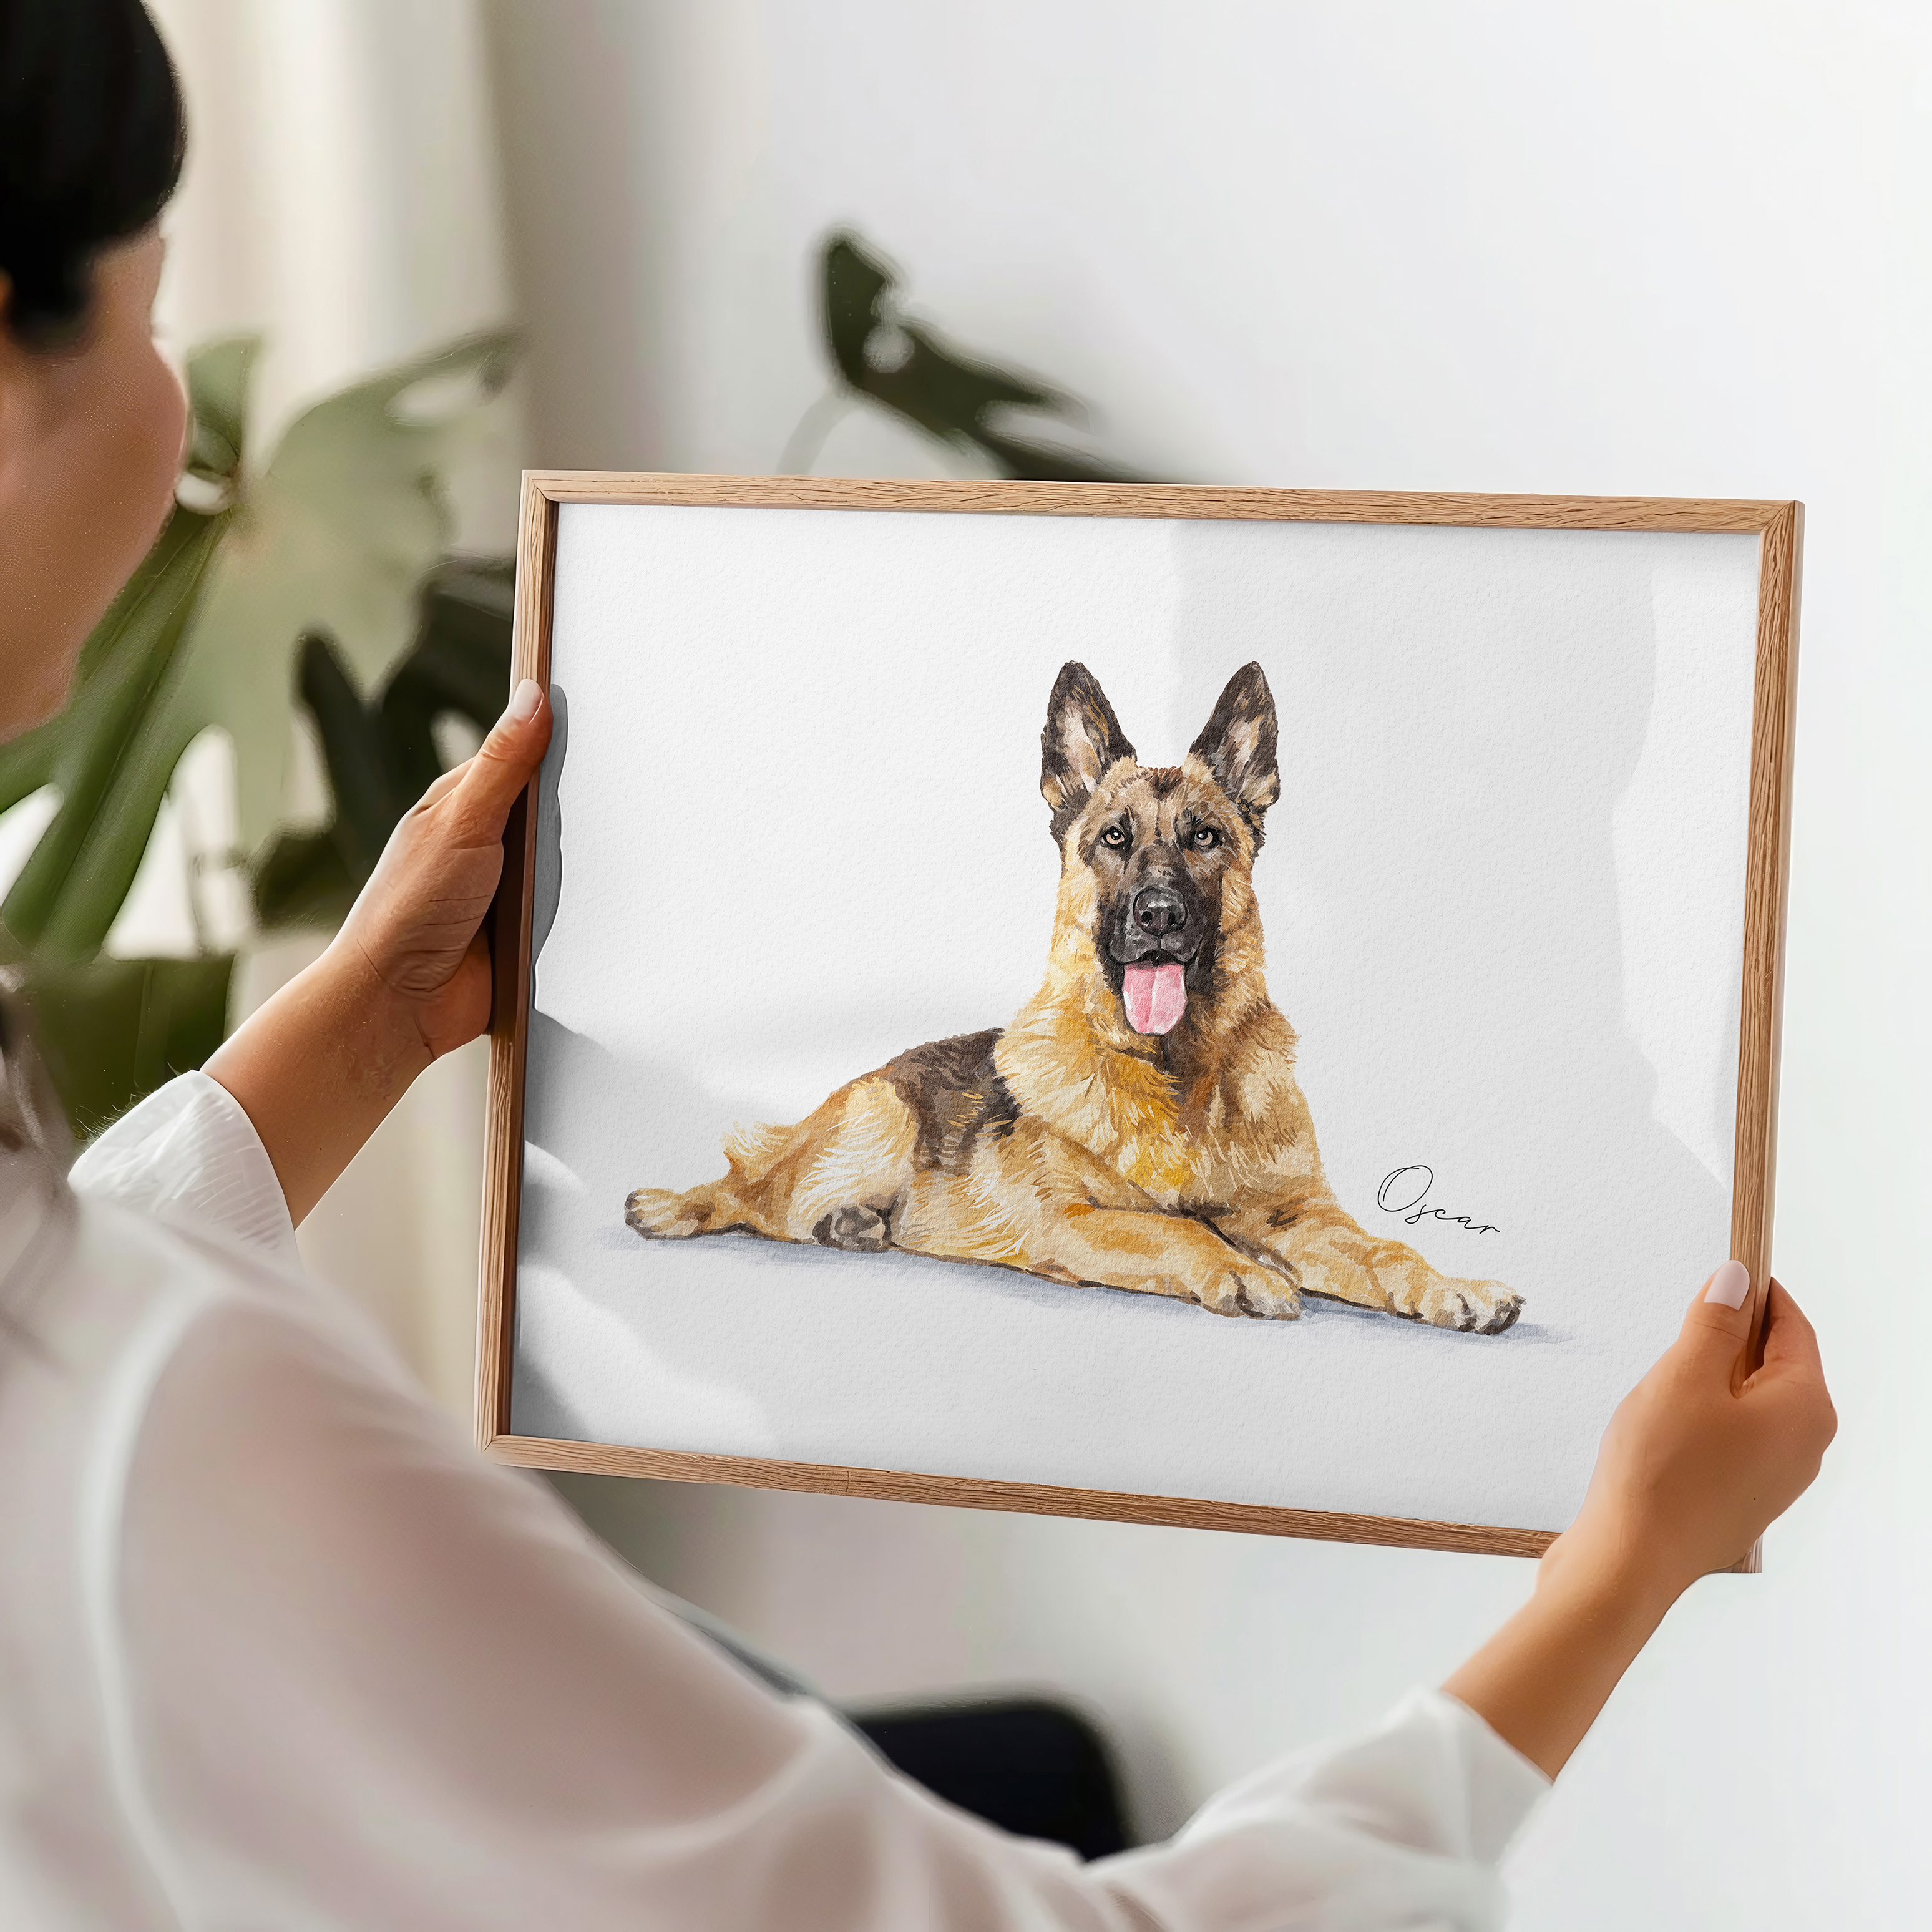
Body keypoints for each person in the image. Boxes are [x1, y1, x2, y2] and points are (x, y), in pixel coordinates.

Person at [0, 2, 1836, 1925]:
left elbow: (89, 1289)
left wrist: (369, 1022)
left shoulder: (118, 1390)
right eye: (147, 316)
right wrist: (1620, 1565)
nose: (182, 405)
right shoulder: (167, 1447)